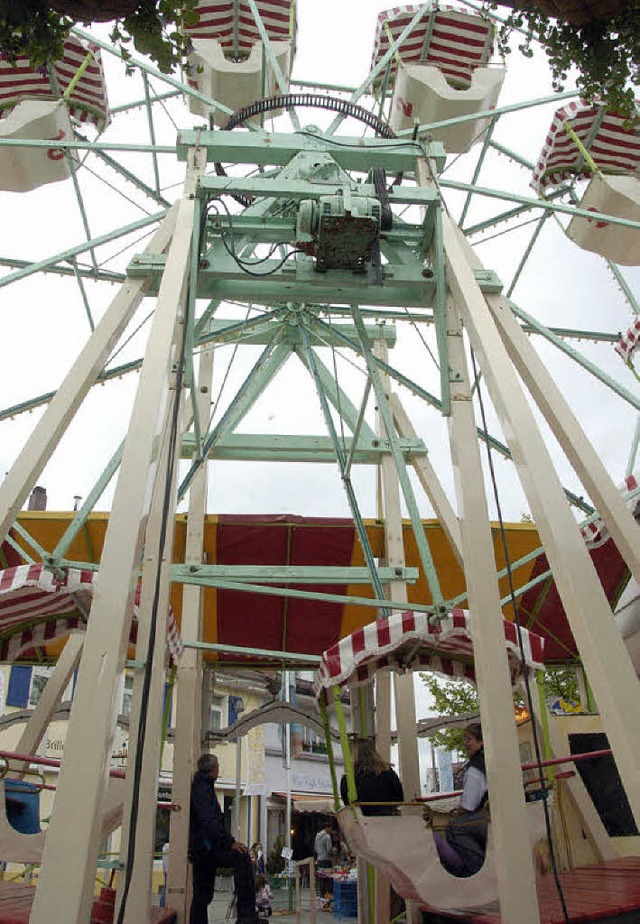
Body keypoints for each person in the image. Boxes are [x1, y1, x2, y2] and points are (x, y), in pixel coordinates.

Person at [189, 752, 257, 924]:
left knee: (202, 893)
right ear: (213, 769)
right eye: (218, 766)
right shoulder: (203, 790)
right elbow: (210, 823)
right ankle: (246, 915)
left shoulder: (201, 786)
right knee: (242, 858)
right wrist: (229, 842)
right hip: (206, 848)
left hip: (203, 847)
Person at [425, 723, 488, 878]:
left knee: (455, 827)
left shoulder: (475, 769)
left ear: (481, 742)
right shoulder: (486, 761)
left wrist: (459, 810)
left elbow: (470, 804)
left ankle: (475, 868)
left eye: (470, 739)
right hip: (492, 812)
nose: (466, 743)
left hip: (486, 816)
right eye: (465, 739)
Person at [339, 738, 404, 816]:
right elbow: (399, 798)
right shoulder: (388, 772)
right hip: (388, 816)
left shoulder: (349, 778)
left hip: (362, 818)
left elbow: (347, 803)